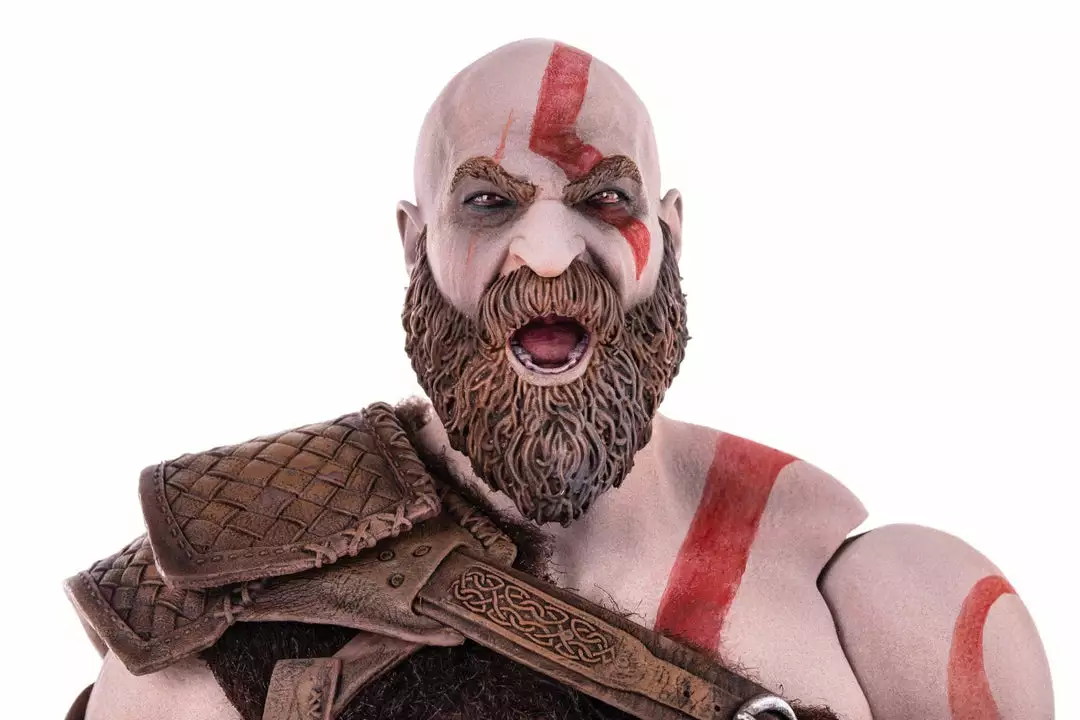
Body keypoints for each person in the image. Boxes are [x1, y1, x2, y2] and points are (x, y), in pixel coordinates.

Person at [64, 38, 1054, 720]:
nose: (547, 252)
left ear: (667, 234)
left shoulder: (895, 620)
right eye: (488, 203)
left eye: (603, 196)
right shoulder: (216, 624)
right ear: (415, 245)